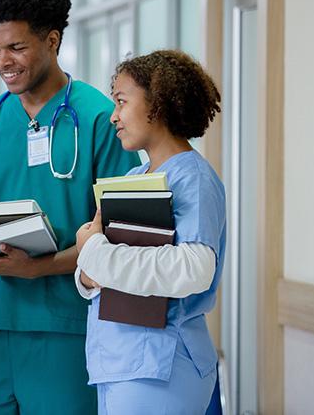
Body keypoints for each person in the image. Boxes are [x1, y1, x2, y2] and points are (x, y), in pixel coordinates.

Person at [0, 0, 140, 414]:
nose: (2, 62)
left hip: (66, 326)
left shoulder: (100, 119)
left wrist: (40, 267)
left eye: (16, 47)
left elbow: (123, 238)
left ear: (52, 40)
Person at [75, 49, 226, 415]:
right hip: (117, 361)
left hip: (164, 364)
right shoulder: (133, 179)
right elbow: (99, 274)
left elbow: (193, 269)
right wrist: (88, 275)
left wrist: (92, 249)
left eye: (122, 102)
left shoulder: (193, 177)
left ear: (157, 104)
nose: (114, 116)